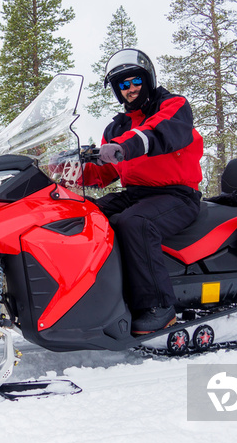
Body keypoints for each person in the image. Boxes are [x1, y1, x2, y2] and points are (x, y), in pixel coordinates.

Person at [82, 48, 203, 334]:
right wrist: (69, 169)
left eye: (135, 81)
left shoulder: (172, 107)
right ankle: (94, 296)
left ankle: (159, 307)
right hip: (136, 193)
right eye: (123, 85)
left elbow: (156, 134)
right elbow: (104, 172)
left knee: (135, 222)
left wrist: (124, 147)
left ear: (147, 79)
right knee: (86, 214)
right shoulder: (117, 127)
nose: (131, 89)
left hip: (177, 195)